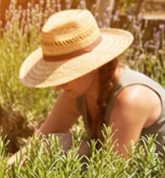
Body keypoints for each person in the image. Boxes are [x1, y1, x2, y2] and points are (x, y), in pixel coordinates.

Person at [21, 9, 165, 156]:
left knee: (68, 148)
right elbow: (36, 145)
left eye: (65, 76)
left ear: (91, 66)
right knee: (56, 144)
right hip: (112, 172)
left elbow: (115, 172)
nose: (58, 87)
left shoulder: (131, 99)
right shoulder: (77, 93)